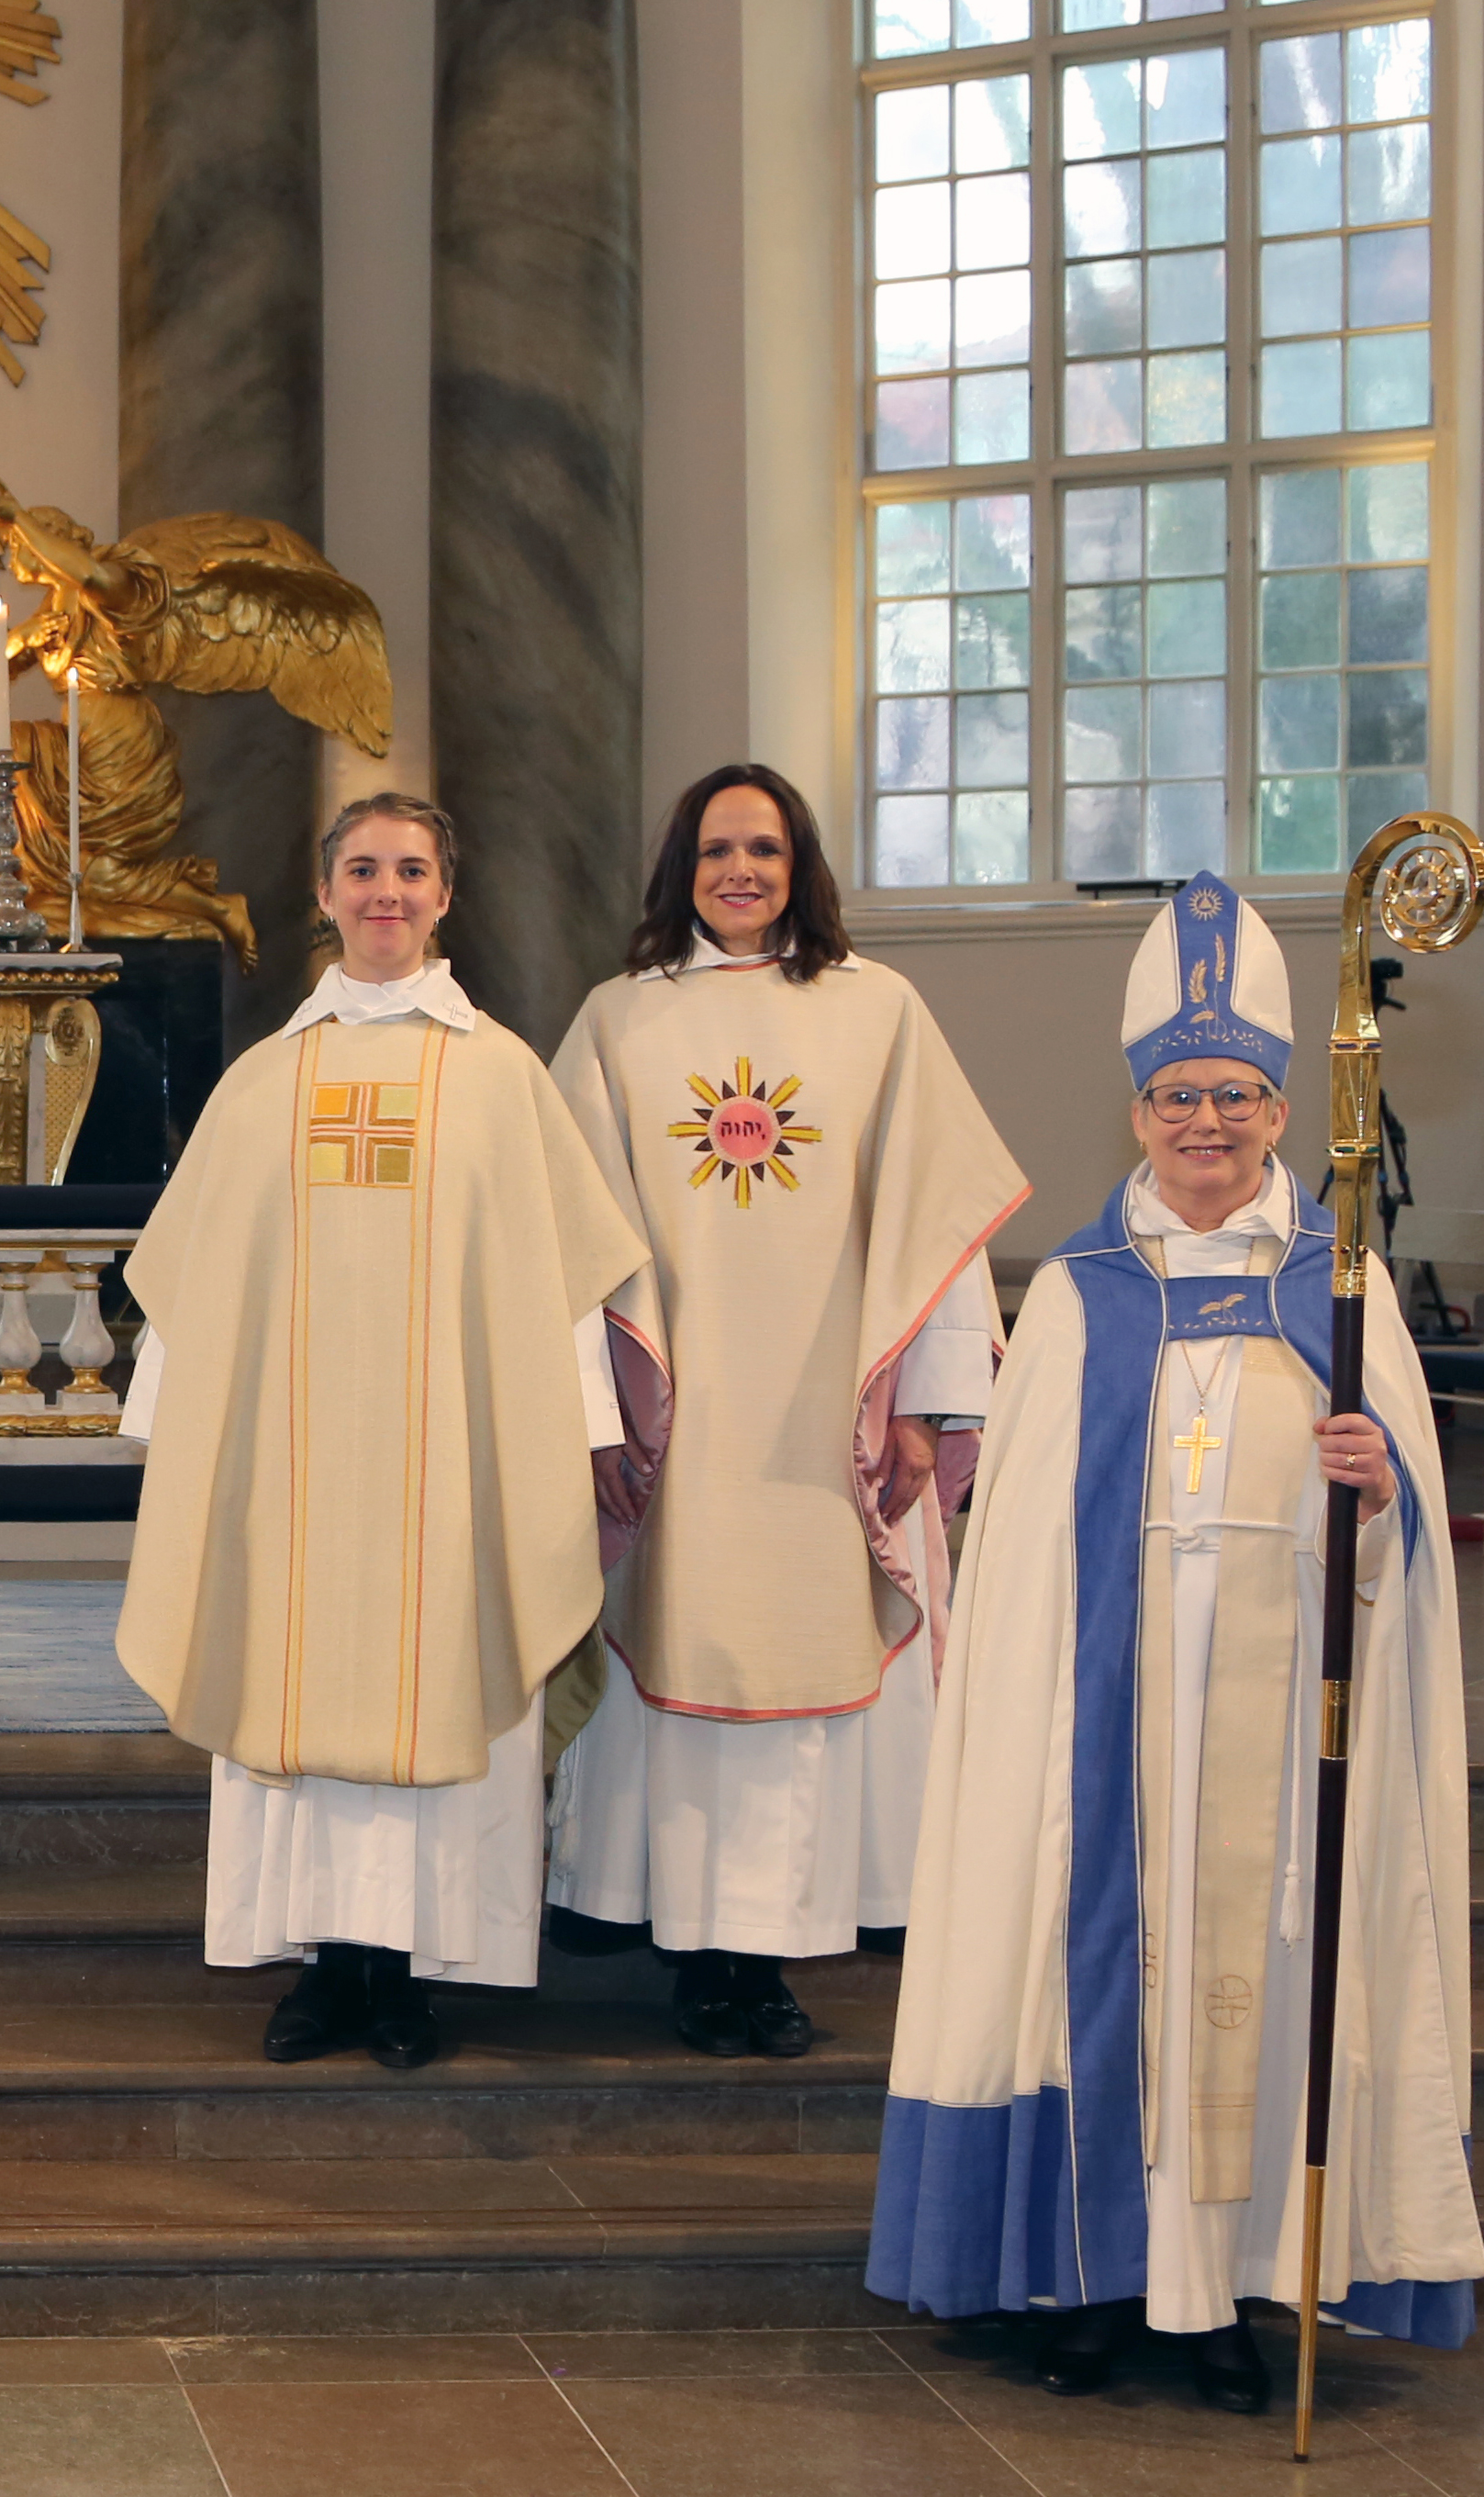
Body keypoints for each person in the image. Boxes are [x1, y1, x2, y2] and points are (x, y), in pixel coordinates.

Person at [868, 870, 1480, 2413]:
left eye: (1237, 1093)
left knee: (1250, 1990)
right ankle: (1088, 2278)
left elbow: (1402, 1533)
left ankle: (1220, 2296)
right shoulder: (1079, 1295)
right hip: (1104, 1729)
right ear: (1136, 1110)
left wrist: (1379, 1484)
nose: (1205, 1120)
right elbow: (1015, 1553)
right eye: (1175, 1094)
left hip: (1273, 1730)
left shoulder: (1338, 1285)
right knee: (1090, 1979)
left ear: (1280, 1108)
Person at [110, 793, 647, 2068]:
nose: (385, 892)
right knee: (291, 1689)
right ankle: (321, 1969)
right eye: (362, 869)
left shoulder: (501, 1076)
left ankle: (409, 1974)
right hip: (294, 1475)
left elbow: (556, 1283)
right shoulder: (265, 1082)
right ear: (326, 890)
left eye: (409, 869)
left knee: (441, 1679)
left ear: (443, 893)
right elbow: (197, 1282)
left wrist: (578, 1438)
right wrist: (172, 1432)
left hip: (453, 1470)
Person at [541, 767, 1022, 2057]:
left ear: (799, 864)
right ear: (677, 872)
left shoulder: (876, 1012)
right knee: (678, 1643)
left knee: (813, 1663)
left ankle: (768, 1951)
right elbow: (561, 1236)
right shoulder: (618, 1021)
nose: (737, 872)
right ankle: (678, 1936)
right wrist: (595, 1415)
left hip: (827, 1426)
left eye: (761, 848)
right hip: (682, 1424)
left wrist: (924, 1405)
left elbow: (935, 1233)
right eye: (713, 851)